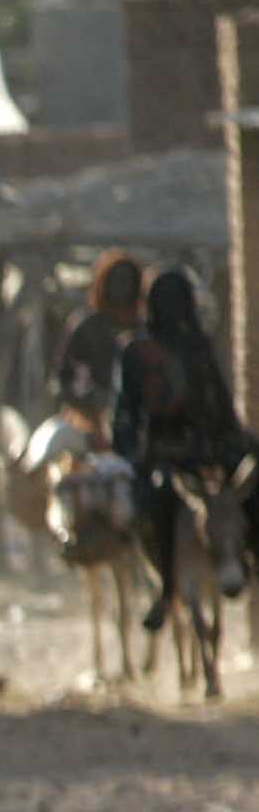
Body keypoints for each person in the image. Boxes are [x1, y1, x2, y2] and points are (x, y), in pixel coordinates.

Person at [111, 267, 249, 633]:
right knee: (152, 507)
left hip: (208, 453)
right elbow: (126, 414)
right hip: (165, 458)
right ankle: (167, 589)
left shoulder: (199, 347)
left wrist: (237, 444)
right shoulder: (138, 352)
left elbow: (219, 405)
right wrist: (133, 453)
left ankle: (242, 563)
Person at [53, 251, 143, 434]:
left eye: (127, 281)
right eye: (116, 280)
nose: (121, 288)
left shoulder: (142, 330)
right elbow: (63, 377)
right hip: (89, 419)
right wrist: (86, 402)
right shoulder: (87, 326)